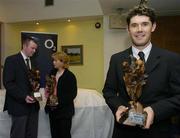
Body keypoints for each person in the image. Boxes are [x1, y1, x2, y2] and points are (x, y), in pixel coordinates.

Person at [102, 3, 180, 138]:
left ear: (153, 27)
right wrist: (119, 107)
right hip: (124, 131)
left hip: (158, 130)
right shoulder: (117, 59)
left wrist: (153, 111)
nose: (139, 29)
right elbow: (108, 91)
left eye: (145, 24)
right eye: (134, 25)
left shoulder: (171, 59)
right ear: (128, 29)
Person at [3, 35, 40, 138]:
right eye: (32, 48)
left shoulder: (34, 62)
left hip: (33, 107)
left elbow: (35, 82)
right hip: (18, 106)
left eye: (35, 49)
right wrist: (24, 96)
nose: (34, 51)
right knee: (18, 135)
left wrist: (37, 93)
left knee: (32, 135)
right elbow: (8, 83)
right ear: (24, 46)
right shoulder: (11, 60)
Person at [45, 51, 77, 138]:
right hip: (52, 110)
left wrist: (58, 101)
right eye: (53, 60)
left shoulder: (70, 76)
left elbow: (73, 94)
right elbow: (49, 88)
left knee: (64, 135)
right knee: (54, 134)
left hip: (64, 111)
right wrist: (47, 91)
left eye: (55, 60)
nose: (53, 62)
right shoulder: (52, 73)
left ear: (62, 62)